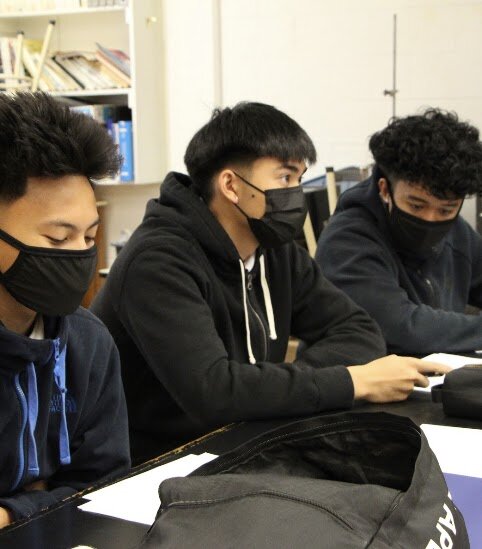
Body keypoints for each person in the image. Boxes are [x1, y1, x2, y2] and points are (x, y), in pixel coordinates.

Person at [91, 102, 448, 463]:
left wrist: (275, 387)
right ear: (231, 185)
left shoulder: (274, 249)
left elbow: (359, 331)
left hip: (250, 440)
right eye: (285, 178)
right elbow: (213, 392)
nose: (296, 193)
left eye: (299, 179)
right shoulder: (157, 261)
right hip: (158, 463)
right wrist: (352, 382)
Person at [0, 92, 130, 527]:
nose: (78, 255)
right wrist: (44, 494)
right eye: (58, 238)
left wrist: (13, 510)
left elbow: (105, 485)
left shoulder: (88, 341)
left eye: (89, 237)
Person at [316, 109, 482, 355]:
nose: (430, 219)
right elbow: (401, 328)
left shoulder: (458, 234)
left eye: (446, 210)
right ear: (385, 190)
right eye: (416, 205)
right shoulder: (347, 240)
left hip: (431, 373)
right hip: (360, 375)